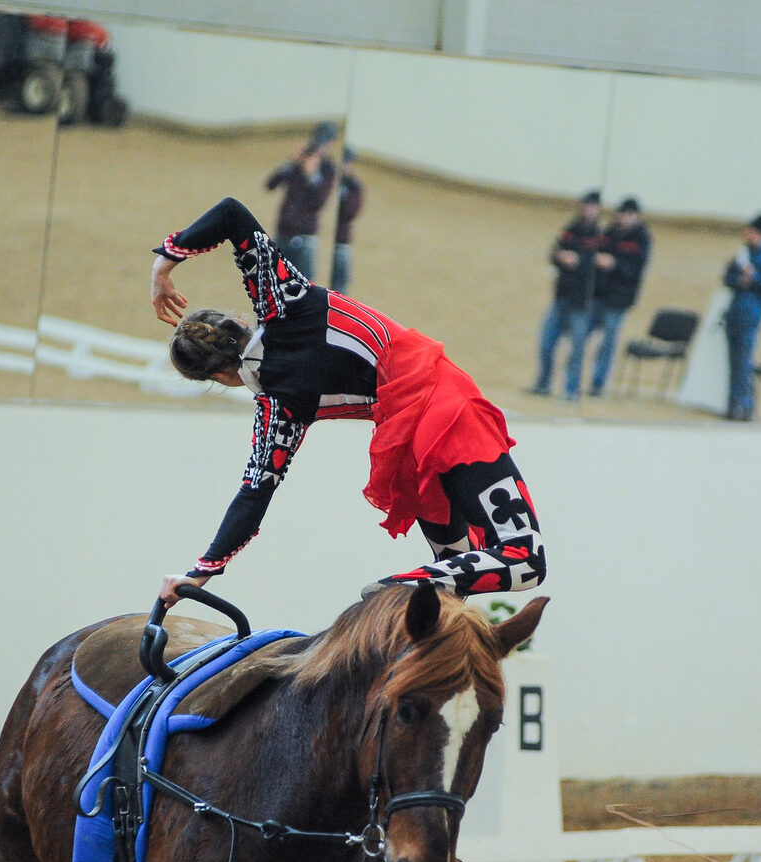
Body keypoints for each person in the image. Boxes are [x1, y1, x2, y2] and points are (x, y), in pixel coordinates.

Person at [150, 197, 545, 607]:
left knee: (456, 572)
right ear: (238, 324)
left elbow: (254, 494)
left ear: (218, 377)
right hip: (450, 412)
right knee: (525, 559)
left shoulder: (279, 410)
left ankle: (403, 610)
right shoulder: (286, 301)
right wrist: (165, 263)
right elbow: (232, 213)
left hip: (408, 447)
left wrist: (204, 570)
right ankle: (393, 592)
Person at [530, 191, 604, 401]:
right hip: (561, 297)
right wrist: (561, 256)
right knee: (546, 341)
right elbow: (554, 252)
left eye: (592, 206)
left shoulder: (600, 235)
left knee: (577, 348)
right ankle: (543, 383)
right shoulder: (571, 229)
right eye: (585, 205)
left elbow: (595, 265)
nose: (587, 210)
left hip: (581, 303)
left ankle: (571, 390)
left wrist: (577, 260)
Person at [587, 196, 652, 397]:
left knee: (608, 342)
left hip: (618, 300)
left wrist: (613, 264)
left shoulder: (641, 238)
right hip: (599, 295)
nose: (622, 218)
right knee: (581, 337)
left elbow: (635, 270)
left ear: (635, 216)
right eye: (620, 214)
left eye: (626, 215)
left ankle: (598, 384)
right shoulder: (609, 232)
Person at [262, 122, 339, 284]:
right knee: (275, 282)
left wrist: (311, 175)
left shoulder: (328, 169)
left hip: (305, 237)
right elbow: (270, 184)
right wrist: (291, 163)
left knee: (304, 285)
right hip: (283, 232)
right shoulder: (298, 163)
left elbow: (319, 201)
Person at [722, 213, 761, 421]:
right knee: (733, 362)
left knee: (744, 361)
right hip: (734, 313)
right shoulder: (742, 251)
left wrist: (752, 277)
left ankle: (745, 406)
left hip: (751, 314)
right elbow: (727, 276)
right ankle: (732, 404)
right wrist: (739, 280)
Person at [328, 146, 364, 293]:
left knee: (340, 289)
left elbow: (350, 212)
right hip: (326, 240)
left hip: (341, 242)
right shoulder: (325, 177)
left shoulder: (353, 186)